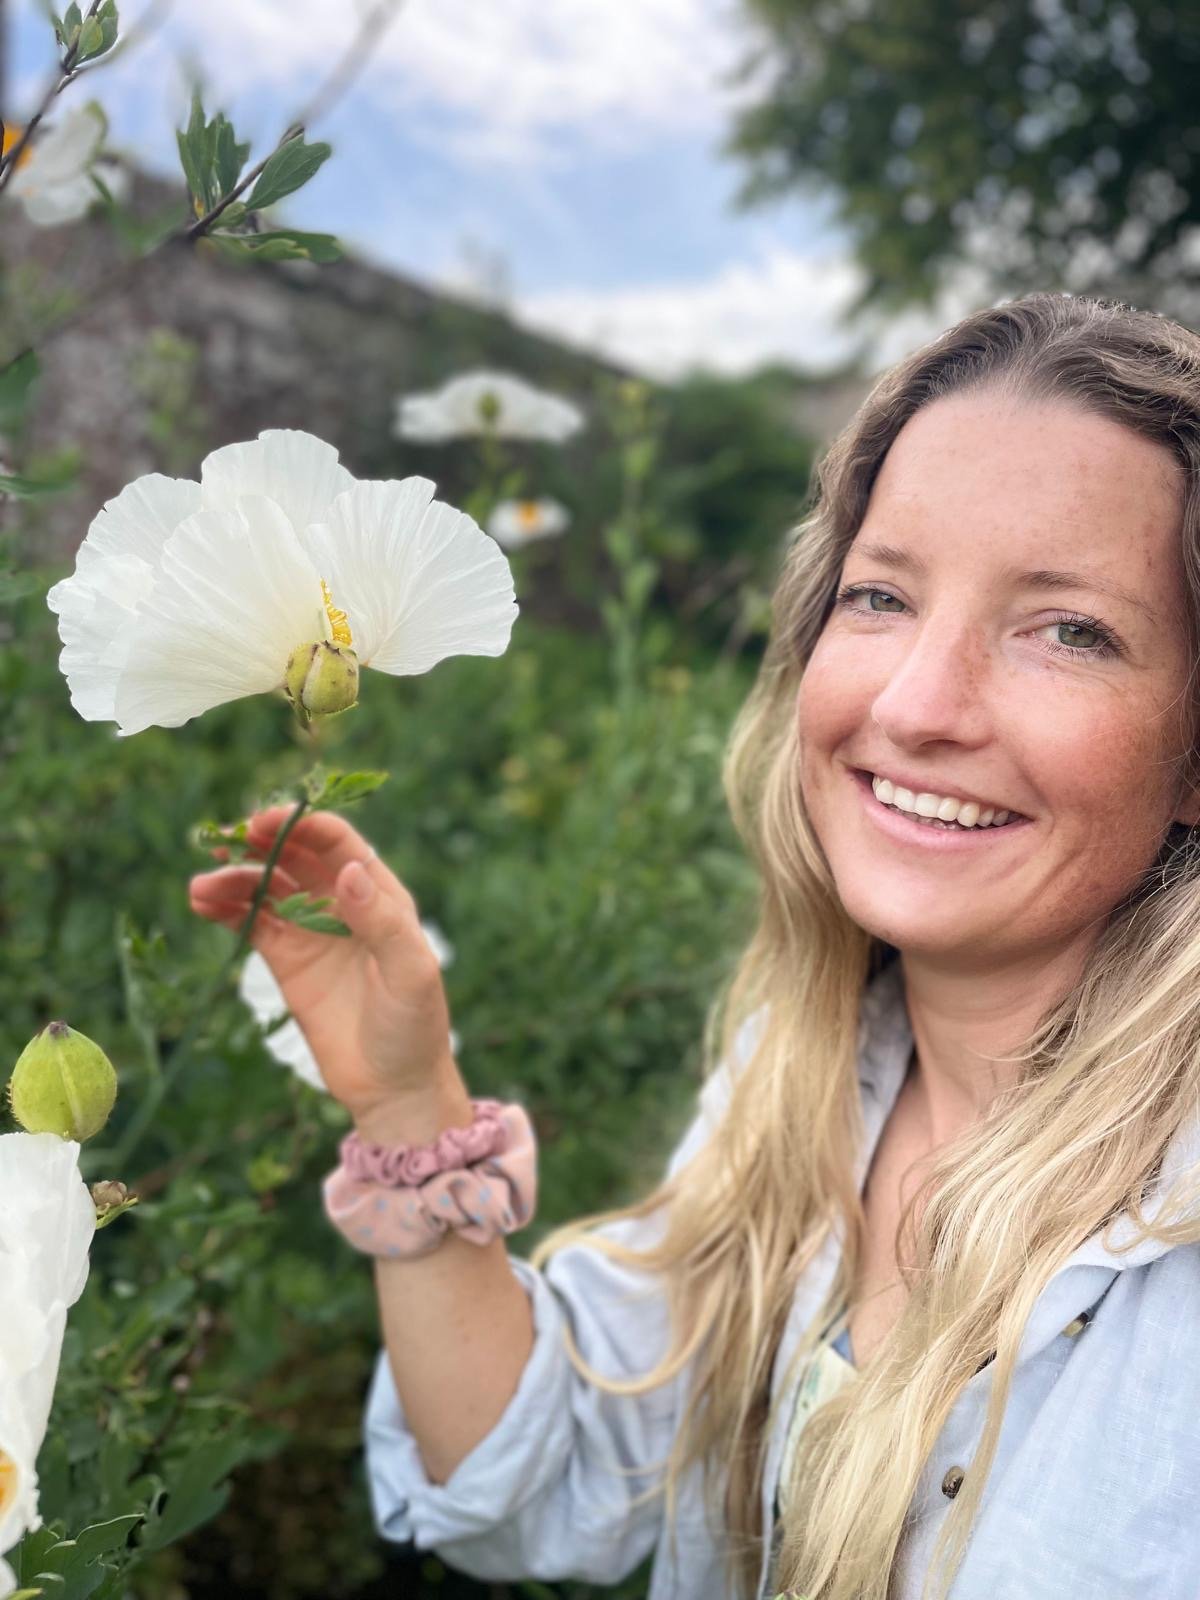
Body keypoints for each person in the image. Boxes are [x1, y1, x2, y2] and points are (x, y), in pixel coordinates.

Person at [188, 291, 1200, 1600]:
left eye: (1070, 630)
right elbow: (540, 1482)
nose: (916, 704)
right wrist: (407, 1100)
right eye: (881, 595)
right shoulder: (809, 1071)